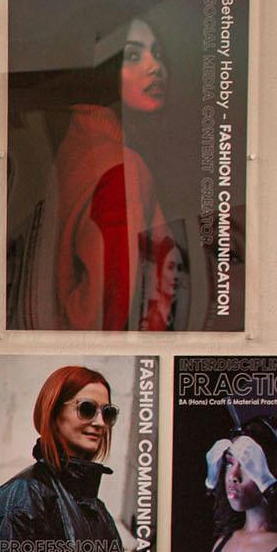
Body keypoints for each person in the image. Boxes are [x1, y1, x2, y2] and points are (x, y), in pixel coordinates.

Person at [49, 17, 177, 331]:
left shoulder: (79, 141)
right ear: (102, 66)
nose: (154, 67)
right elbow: (105, 318)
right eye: (133, 56)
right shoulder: (120, 169)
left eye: (158, 54)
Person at [0, 365, 126, 552]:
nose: (100, 423)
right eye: (87, 409)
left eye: (108, 413)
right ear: (53, 413)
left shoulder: (98, 509)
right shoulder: (22, 495)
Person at [206, 414, 277, 552]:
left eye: (248, 463)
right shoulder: (220, 545)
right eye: (229, 463)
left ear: (275, 469)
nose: (233, 476)